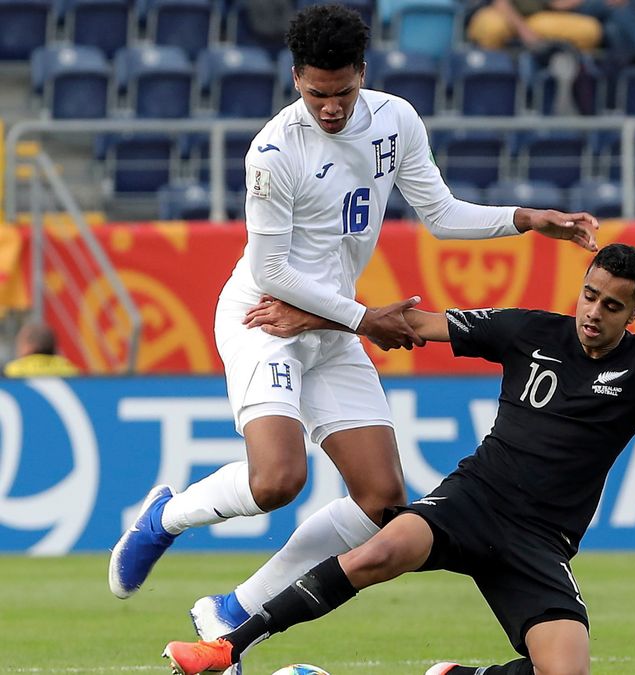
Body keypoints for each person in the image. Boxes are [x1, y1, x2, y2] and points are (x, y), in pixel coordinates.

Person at [107, 0, 601, 652]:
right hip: (266, 317)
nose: (331, 107)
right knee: (277, 480)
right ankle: (163, 518)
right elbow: (271, 270)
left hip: (332, 320)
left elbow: (441, 213)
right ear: (296, 79)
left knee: (381, 498)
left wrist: (528, 219)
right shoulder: (273, 151)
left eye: (342, 92)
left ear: (362, 72)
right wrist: (365, 318)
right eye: (317, 94)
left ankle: (233, 611)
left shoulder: (395, 119)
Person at [161, 243, 635, 675]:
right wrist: (312, 316)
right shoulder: (529, 331)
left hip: (541, 541)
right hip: (473, 501)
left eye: (612, 306)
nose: (593, 312)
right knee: (379, 551)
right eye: (589, 295)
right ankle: (228, 647)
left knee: (565, 672)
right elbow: (416, 325)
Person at [466, 0, 604, 53]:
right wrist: (523, 30)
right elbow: (501, 4)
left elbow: (557, 4)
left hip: (536, 16)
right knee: (493, 29)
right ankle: (491, 77)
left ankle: (577, 89)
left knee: (590, 30)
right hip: (500, 13)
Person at [2, 319, 80, 377]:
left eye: (20, 343)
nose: (18, 348)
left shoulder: (12, 372)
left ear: (31, 346)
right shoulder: (70, 370)